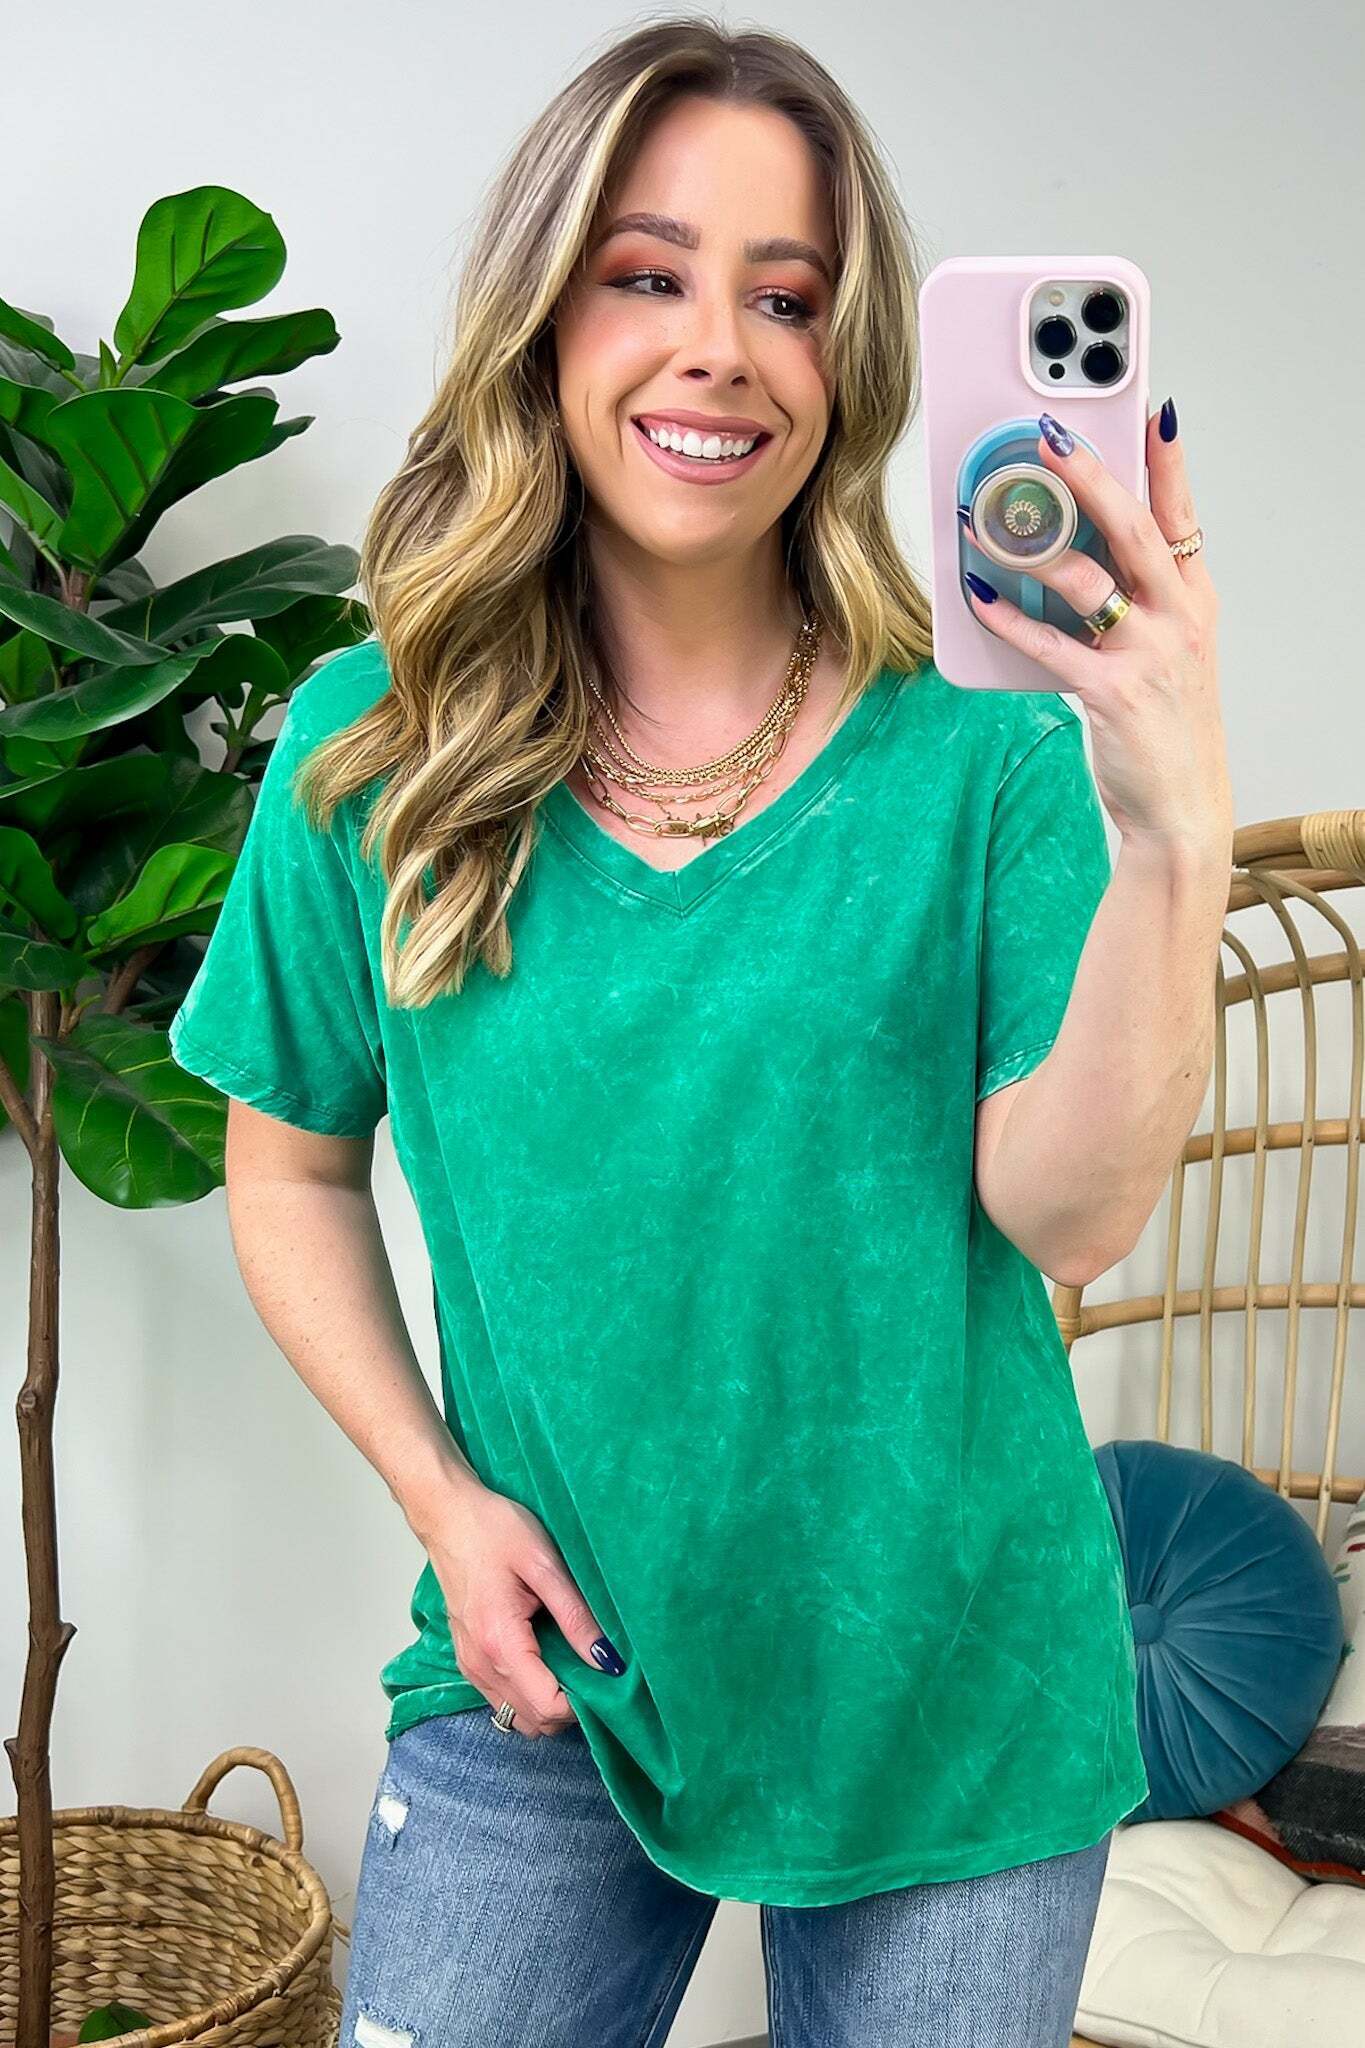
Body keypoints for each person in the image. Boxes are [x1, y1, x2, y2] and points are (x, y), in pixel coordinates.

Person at [167, 15, 1231, 2046]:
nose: (718, 351)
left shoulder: (986, 749)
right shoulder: (372, 748)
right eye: (647, 275)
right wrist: (441, 1503)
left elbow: (1071, 1215)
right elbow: (288, 1166)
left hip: (950, 1687)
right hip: (548, 1659)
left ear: (850, 360)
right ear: (544, 318)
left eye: (786, 297)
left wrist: (1171, 824)